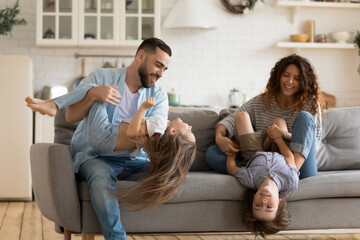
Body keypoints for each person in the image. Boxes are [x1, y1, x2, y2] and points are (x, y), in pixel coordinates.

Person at [27, 38, 179, 240]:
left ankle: (54, 104)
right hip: (97, 157)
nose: (160, 74)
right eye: (158, 65)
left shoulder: (158, 95)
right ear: (141, 56)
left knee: (169, 176)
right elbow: (71, 116)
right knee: (100, 181)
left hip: (136, 158)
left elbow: (151, 136)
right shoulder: (102, 76)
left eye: (164, 69)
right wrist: (92, 95)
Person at [206, 54, 325, 180]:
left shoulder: (310, 104)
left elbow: (312, 144)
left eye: (297, 78)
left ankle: (287, 175)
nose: (290, 81)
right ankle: (261, 173)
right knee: (212, 153)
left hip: (298, 167)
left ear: (304, 81)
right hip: (264, 161)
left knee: (305, 117)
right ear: (278, 76)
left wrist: (283, 134)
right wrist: (219, 137)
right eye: (286, 75)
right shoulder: (261, 101)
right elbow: (231, 119)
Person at [226, 111, 302, 237]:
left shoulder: (248, 179)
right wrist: (278, 140)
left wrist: (231, 155)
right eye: (269, 207)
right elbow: (289, 157)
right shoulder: (290, 181)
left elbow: (232, 169)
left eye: (257, 205)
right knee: (279, 122)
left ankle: (261, 141)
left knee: (241, 116)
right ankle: (268, 140)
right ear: (279, 202)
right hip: (279, 151)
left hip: (253, 153)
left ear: (253, 198)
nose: (263, 201)